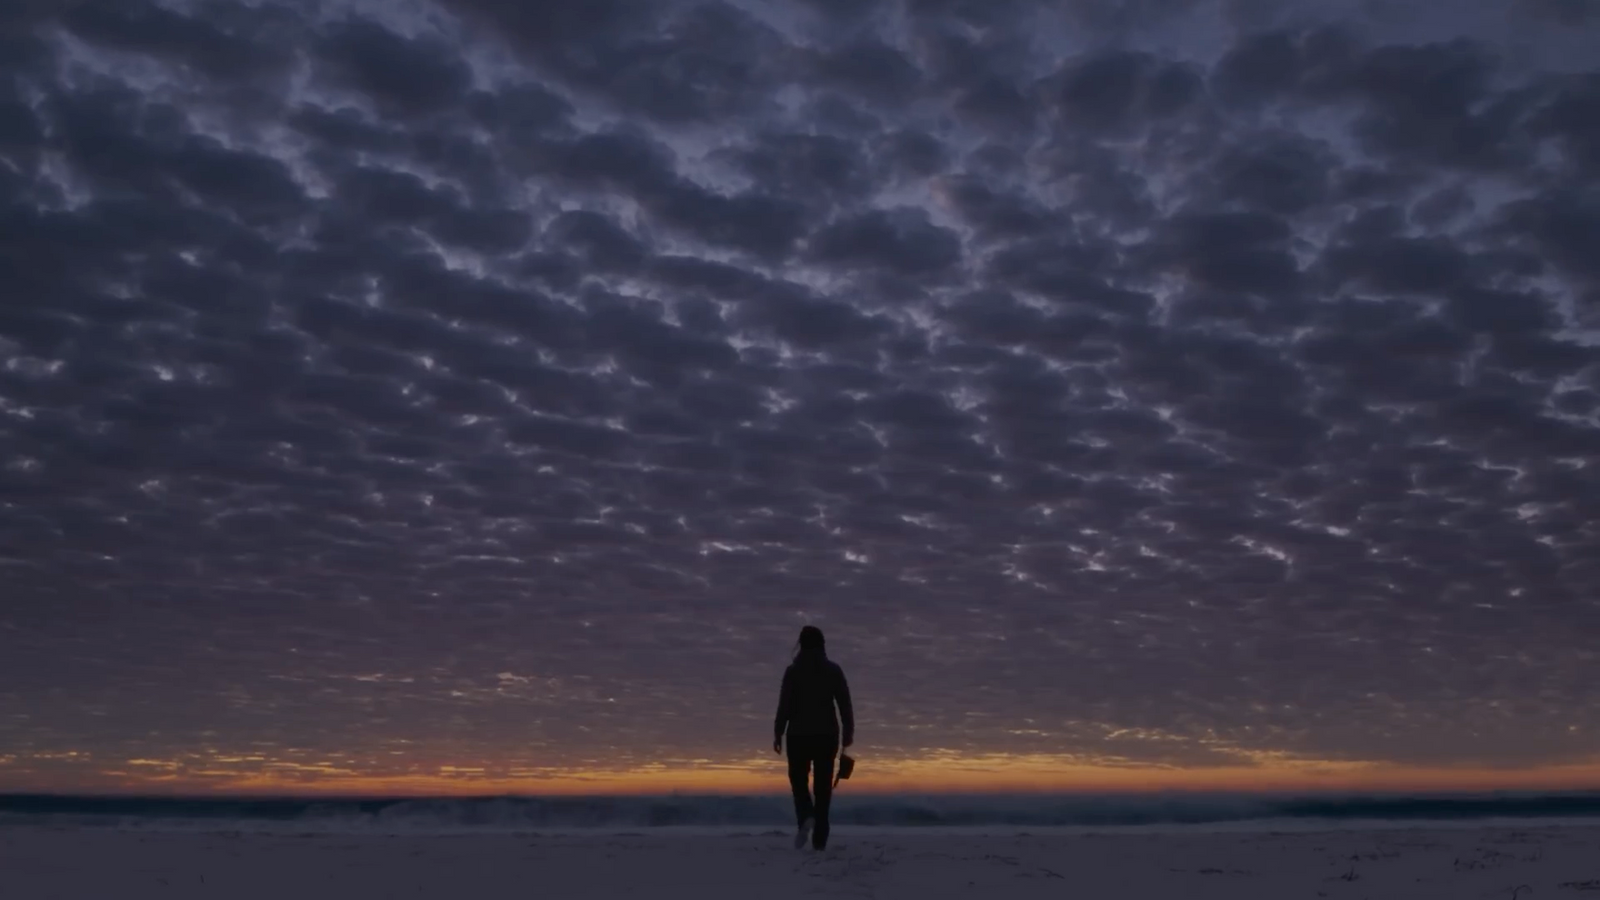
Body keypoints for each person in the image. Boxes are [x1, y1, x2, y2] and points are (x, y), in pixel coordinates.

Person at [773, 625, 854, 851]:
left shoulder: (793, 672)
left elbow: (785, 705)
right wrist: (848, 734)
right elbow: (845, 705)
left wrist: (778, 732)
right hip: (827, 736)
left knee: (798, 782)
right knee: (823, 788)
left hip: (798, 736)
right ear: (822, 645)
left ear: (801, 645)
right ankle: (820, 841)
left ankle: (806, 816)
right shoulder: (833, 671)